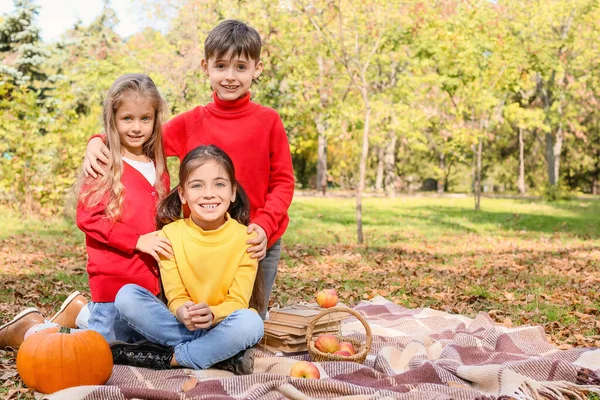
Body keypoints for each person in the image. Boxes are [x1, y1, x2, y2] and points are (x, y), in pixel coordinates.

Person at [84, 20, 295, 319]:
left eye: (240, 67)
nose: (230, 76)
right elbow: (142, 137)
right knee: (197, 316)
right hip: (200, 243)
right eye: (221, 66)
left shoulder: (268, 121)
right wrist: (98, 141)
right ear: (205, 67)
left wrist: (265, 226)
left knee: (250, 321)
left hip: (256, 240)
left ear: (256, 69)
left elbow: (284, 183)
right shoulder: (190, 123)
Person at [109, 145, 264, 374]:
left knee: (251, 323)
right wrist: (182, 310)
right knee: (127, 296)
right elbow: (176, 295)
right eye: (197, 185)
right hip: (180, 326)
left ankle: (173, 358)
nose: (209, 193)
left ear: (233, 191)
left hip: (224, 325)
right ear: (182, 194)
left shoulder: (246, 239)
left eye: (219, 184)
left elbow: (238, 301)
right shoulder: (170, 235)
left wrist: (212, 314)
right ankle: (218, 356)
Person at [76, 73, 172, 342]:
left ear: (155, 119)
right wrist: (137, 240)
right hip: (111, 291)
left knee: (146, 353)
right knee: (98, 355)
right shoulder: (104, 163)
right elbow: (88, 218)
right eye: (127, 118)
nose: (136, 127)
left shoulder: (159, 167)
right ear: (113, 120)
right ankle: (42, 329)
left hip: (149, 291)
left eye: (145, 118)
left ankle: (79, 314)